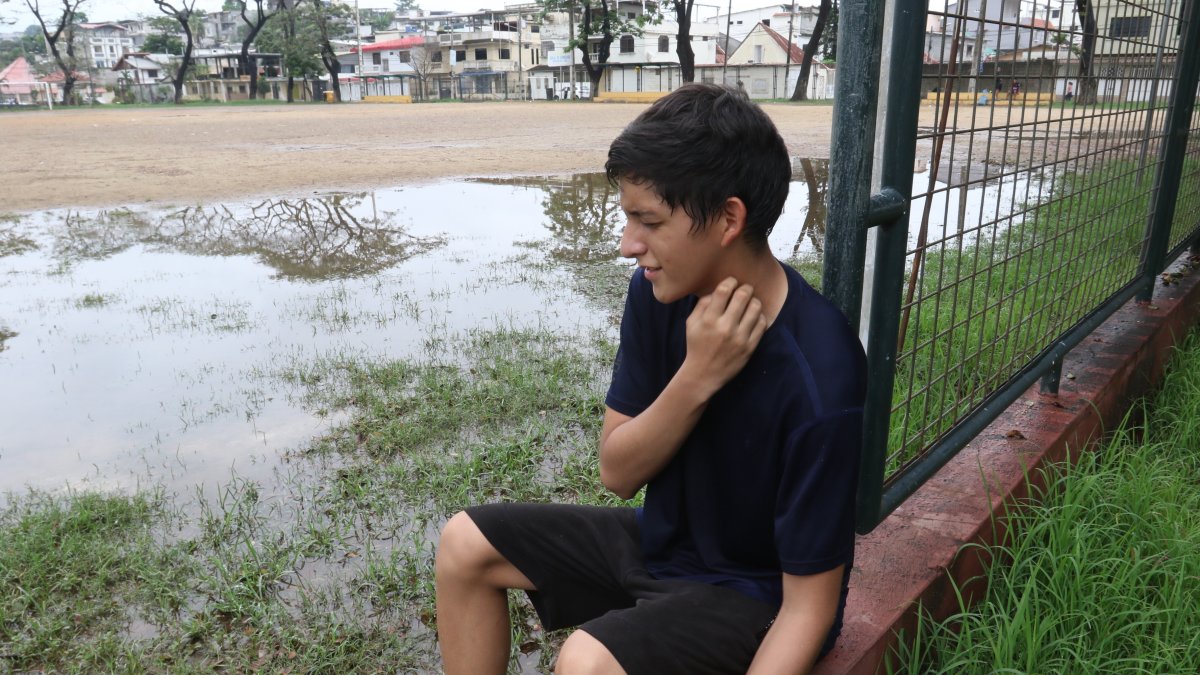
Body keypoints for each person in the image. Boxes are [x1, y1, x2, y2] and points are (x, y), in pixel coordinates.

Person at [434, 83, 868, 675]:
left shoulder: (822, 369)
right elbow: (618, 472)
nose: (627, 245)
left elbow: (809, 609)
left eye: (648, 220)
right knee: (465, 543)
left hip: (757, 595)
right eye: (627, 217)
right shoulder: (659, 292)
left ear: (728, 219)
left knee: (585, 662)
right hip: (662, 546)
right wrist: (698, 375)